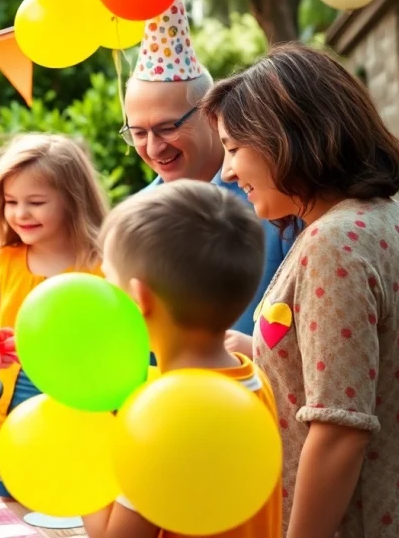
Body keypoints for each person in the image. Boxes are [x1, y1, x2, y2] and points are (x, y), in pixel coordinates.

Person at [200, 43, 399, 538]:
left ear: (283, 136)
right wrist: (264, 352)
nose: (226, 172)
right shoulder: (380, 216)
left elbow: (339, 431)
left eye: (231, 148)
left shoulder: (333, 243)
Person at [83, 179, 282, 538]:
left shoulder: (163, 422)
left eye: (108, 280)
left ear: (139, 297)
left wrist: (81, 465)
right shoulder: (253, 381)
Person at [121, 0, 294, 352]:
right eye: (137, 133)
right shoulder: (135, 216)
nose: (153, 148)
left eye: (167, 128)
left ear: (210, 114)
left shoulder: (273, 194)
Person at [0, 134, 108, 430]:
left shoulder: (104, 267)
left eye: (36, 202)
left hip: (81, 401)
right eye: (11, 202)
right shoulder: (4, 262)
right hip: (8, 400)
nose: (21, 213)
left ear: (73, 201)